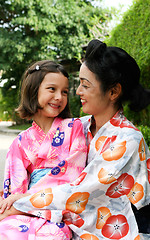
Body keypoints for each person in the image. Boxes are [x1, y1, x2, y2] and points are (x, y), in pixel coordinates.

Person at [0, 40, 150, 240]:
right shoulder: (81, 125)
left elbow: (80, 191)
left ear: (113, 92)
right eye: (79, 83)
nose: (77, 91)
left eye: (85, 85)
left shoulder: (128, 139)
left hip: (112, 230)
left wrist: (20, 204)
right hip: (63, 220)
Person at [0, 60, 87, 239]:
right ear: (33, 90)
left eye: (64, 92)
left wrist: (28, 197)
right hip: (26, 210)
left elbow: (72, 174)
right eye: (52, 89)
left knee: (51, 234)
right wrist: (19, 201)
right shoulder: (20, 141)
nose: (59, 97)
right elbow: (15, 191)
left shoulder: (73, 127)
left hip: (59, 209)